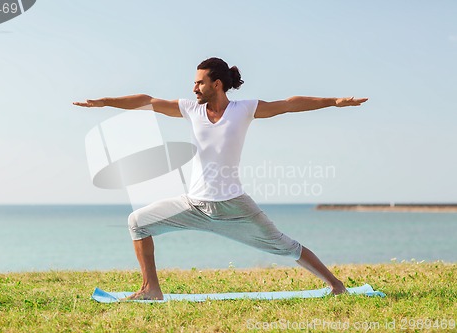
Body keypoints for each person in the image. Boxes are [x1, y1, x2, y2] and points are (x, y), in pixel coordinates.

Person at [74, 57, 368, 300]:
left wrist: (334, 101)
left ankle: (336, 285)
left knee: (286, 246)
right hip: (194, 204)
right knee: (137, 222)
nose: (194, 88)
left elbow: (289, 104)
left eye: (199, 82)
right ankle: (151, 288)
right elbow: (148, 101)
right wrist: (105, 102)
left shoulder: (243, 110)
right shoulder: (190, 110)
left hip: (234, 206)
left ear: (217, 84)